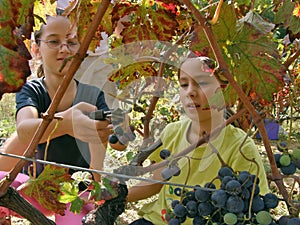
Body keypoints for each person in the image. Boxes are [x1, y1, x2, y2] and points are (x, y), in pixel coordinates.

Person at [126, 55, 269, 224]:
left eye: (201, 83)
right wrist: (116, 196)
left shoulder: (240, 146)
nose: (190, 91)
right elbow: (156, 182)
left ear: (224, 90)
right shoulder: (172, 132)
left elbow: (254, 205)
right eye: (184, 84)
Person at [0, 15, 113, 224]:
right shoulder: (31, 90)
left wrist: (98, 191)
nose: (64, 49)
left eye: (71, 42)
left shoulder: (93, 95)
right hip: (35, 187)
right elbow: (25, 130)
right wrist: (67, 122)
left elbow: (102, 148)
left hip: (76, 194)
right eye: (54, 41)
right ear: (36, 49)